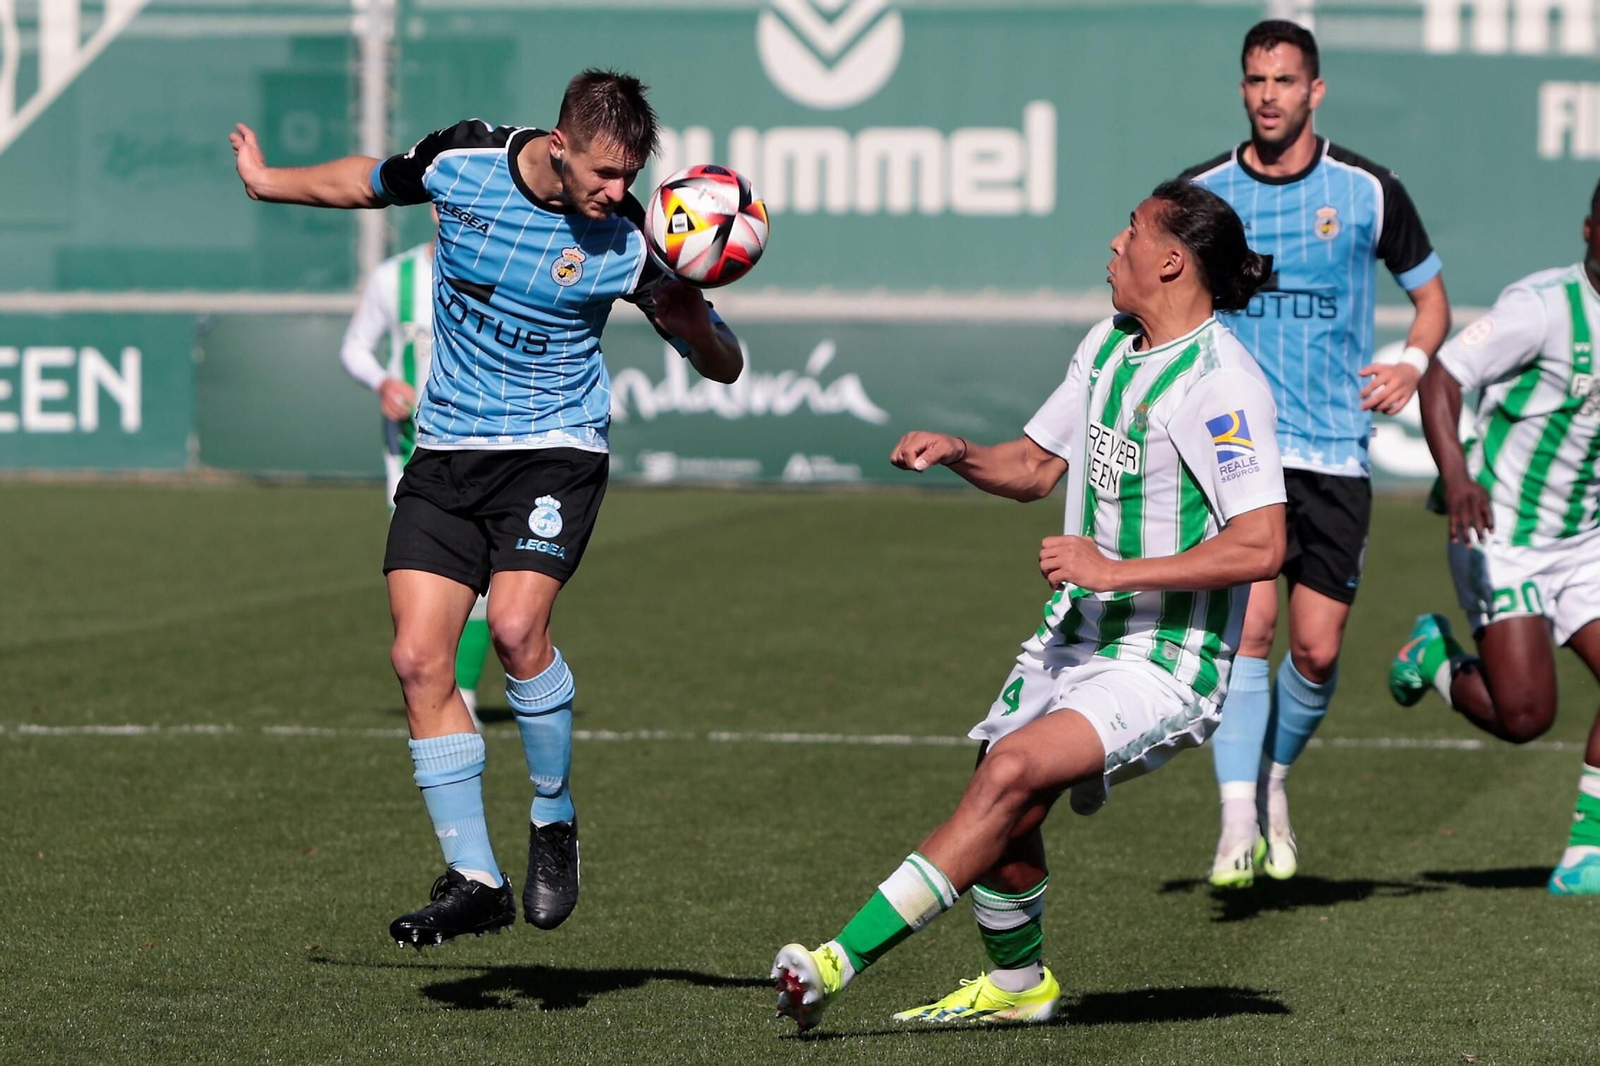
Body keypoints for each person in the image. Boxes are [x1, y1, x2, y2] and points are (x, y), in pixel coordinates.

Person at [230, 69, 745, 946]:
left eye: (631, 178)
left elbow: (725, 362)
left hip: (555, 449)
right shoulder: (462, 160)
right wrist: (269, 181)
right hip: (447, 450)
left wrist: (694, 322)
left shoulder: (631, 240)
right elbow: (367, 182)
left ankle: (553, 817)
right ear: (559, 143)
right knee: (417, 658)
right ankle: (474, 878)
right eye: (606, 175)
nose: (621, 195)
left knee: (512, 629)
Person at [771, 180, 1286, 1031]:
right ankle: (1018, 988)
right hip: (1077, 635)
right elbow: (1035, 469)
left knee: (1009, 775)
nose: (1110, 249)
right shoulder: (1110, 344)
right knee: (999, 800)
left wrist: (1108, 570)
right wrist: (961, 453)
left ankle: (831, 963)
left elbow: (1263, 545)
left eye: (1129, 233)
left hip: (1166, 658)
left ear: (1170, 259)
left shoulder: (1221, 385)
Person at [1179, 19, 1451, 887]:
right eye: (1255, 80)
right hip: (1239, 452)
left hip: (1335, 448)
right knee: (1249, 632)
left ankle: (1275, 784)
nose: (1268, 96)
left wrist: (1410, 364)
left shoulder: (1367, 191)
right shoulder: (1202, 194)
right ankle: (1233, 824)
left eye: (1285, 81)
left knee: (1319, 651)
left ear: (1314, 91)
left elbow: (1433, 300)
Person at [1389, 181, 1600, 895]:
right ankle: (1435, 656)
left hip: (1585, 542)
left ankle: (1586, 852)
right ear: (1588, 229)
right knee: (1526, 717)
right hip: (1498, 530)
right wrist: (1457, 476)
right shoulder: (1543, 307)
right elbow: (1442, 378)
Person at [339, 214, 491, 730]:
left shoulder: (505, 270)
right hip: (411, 453)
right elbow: (354, 348)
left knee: (485, 582)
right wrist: (384, 382)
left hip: (488, 448)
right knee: (424, 578)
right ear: (434, 208)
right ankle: (436, 683)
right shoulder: (393, 279)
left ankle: (462, 690)